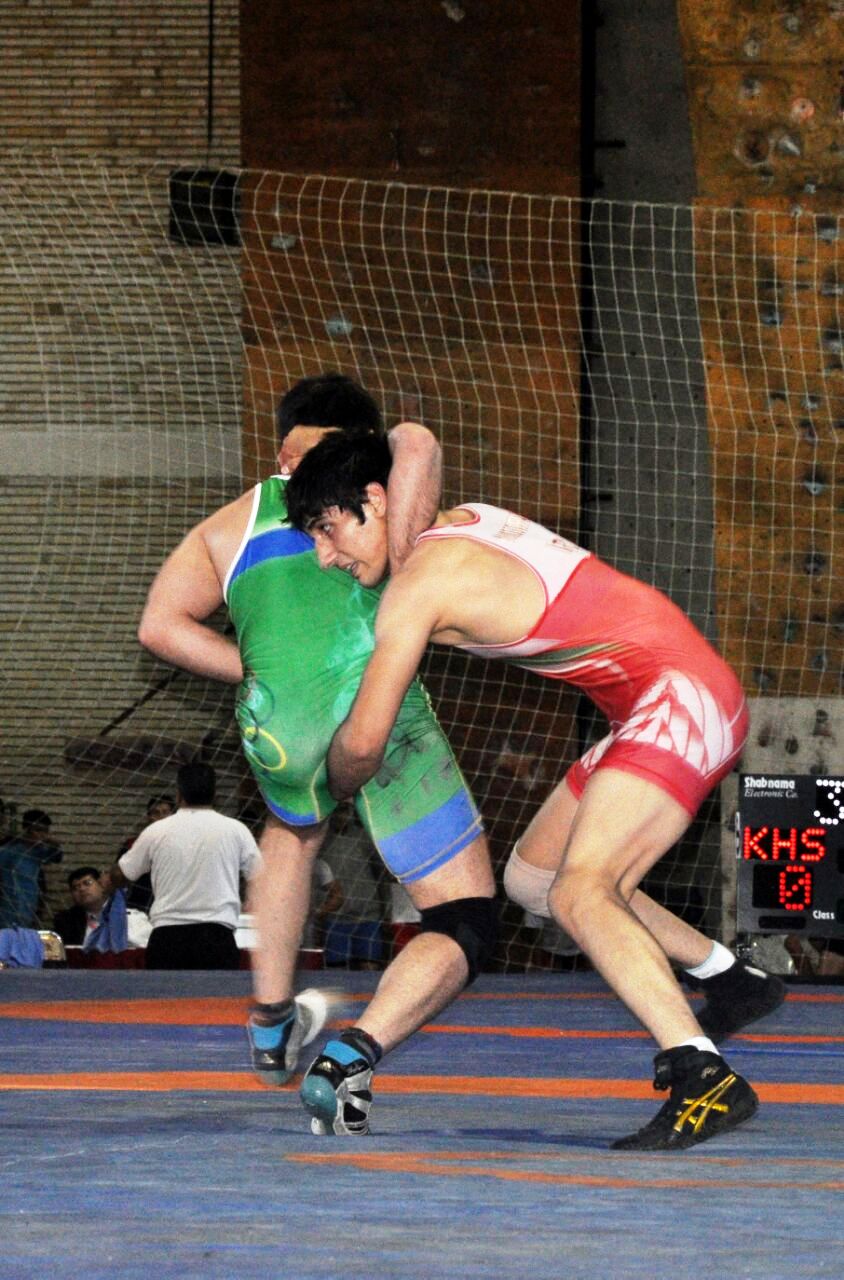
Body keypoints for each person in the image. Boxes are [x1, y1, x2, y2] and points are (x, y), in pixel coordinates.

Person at [285, 429, 787, 1151]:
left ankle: (703, 1074)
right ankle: (730, 978)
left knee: (584, 891)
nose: (325, 555)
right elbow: (413, 439)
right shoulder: (463, 520)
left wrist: (317, 788)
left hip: (679, 701)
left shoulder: (417, 586)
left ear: (374, 499)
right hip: (659, 701)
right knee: (536, 879)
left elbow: (364, 743)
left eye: (327, 529)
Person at [135, 373, 496, 1135]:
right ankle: (352, 1052)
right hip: (377, 706)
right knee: (462, 917)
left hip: (277, 728)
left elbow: (159, 627)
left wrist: (261, 672)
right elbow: (415, 462)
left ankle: (271, 1022)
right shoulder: (371, 492)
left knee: (292, 833)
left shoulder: (228, 524)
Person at [107, 762, 260, 970]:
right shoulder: (237, 830)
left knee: (164, 993)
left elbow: (121, 875)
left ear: (179, 794)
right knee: (217, 992)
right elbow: (261, 878)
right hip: (217, 938)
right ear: (215, 795)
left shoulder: (156, 831)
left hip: (168, 938)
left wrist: (109, 878)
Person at [319, 804, 385, 969]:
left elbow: (381, 871)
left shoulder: (364, 836)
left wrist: (386, 907)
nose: (342, 816)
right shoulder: (320, 839)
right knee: (336, 968)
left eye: (345, 810)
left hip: (368, 912)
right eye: (337, 811)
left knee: (370, 965)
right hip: (336, 915)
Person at [0, 809, 64, 930]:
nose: (42, 835)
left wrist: (54, 844)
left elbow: (57, 857)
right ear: (27, 830)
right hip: (9, 906)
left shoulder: (38, 850)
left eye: (45, 831)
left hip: (31, 905)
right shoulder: (10, 851)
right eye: (38, 830)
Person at [119, 794, 177, 913]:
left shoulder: (183, 844)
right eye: (156, 813)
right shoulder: (133, 844)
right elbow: (120, 875)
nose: (161, 817)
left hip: (172, 906)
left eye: (165, 812)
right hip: (139, 906)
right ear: (149, 817)